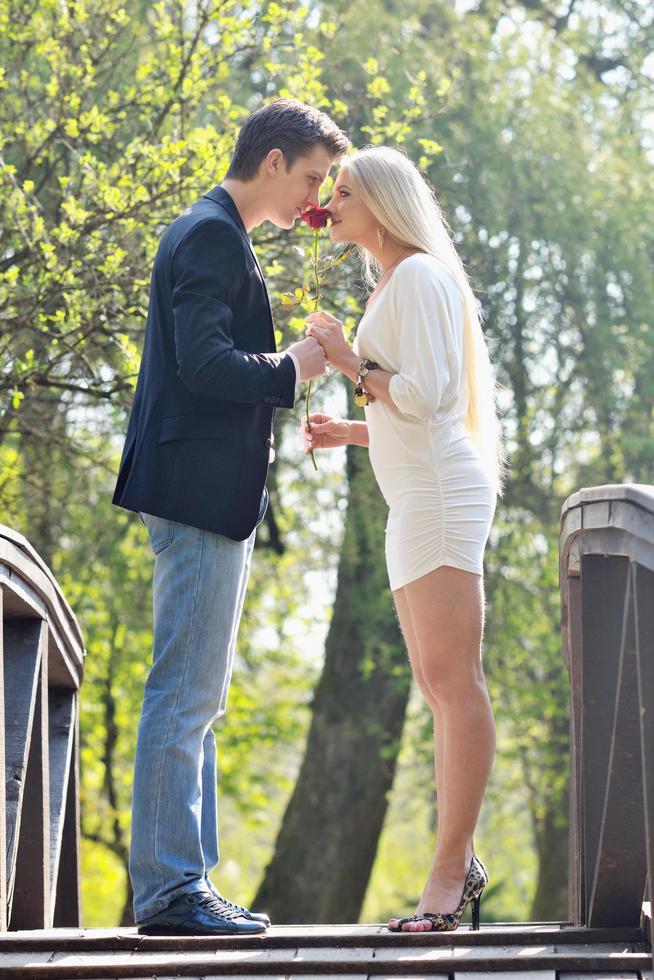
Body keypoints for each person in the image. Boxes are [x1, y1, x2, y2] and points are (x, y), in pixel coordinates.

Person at [112, 99, 349, 936]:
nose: (316, 200)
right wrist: (295, 369)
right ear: (275, 160)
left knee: (196, 697)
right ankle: (173, 891)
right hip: (199, 492)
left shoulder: (215, 231)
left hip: (199, 490)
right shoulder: (212, 234)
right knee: (183, 694)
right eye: (314, 178)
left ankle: (188, 882)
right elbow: (206, 364)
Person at [302, 146, 504, 933]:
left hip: (443, 498)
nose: (329, 201)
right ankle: (462, 857)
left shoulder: (418, 274)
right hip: (415, 494)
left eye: (344, 191)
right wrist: (353, 430)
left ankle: (449, 876)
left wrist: (351, 361)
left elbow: (430, 397)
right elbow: (408, 410)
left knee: (456, 682)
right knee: (435, 681)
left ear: (382, 201)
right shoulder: (395, 281)